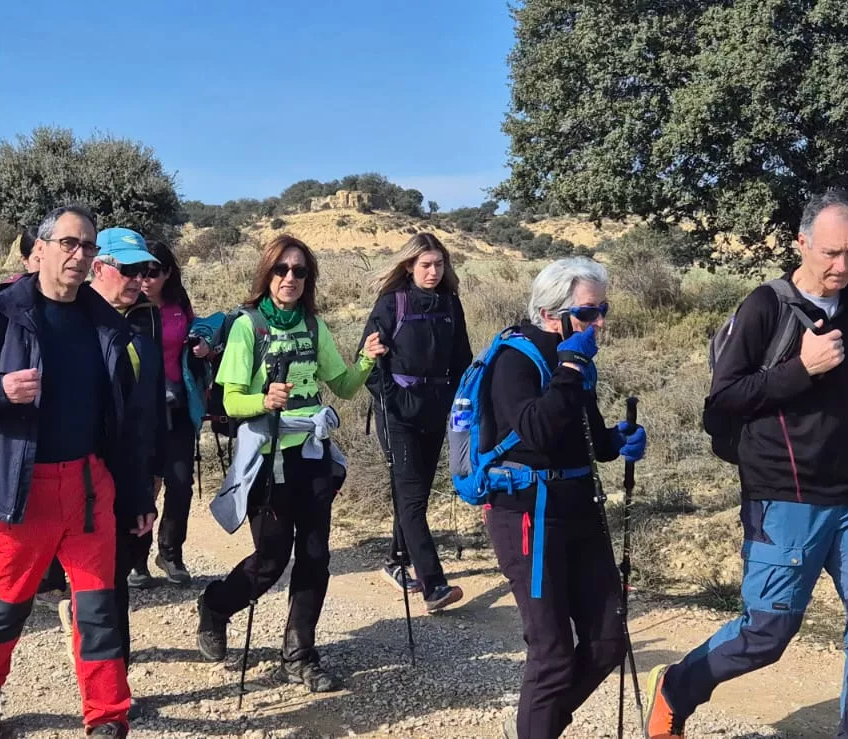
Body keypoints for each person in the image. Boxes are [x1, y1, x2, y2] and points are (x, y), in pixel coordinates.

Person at [645, 191, 848, 739]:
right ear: (801, 243)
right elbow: (722, 405)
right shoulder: (765, 307)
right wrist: (800, 368)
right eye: (831, 252)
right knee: (768, 633)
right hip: (783, 497)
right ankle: (677, 688)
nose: (843, 266)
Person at [0, 204, 161, 739]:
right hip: (22, 486)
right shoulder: (3, 314)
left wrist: (134, 497)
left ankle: (107, 716)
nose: (78, 256)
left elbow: (124, 426)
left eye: (87, 246)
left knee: (100, 608)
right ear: (42, 249)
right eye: (68, 243)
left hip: (87, 488)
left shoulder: (105, 325)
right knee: (7, 603)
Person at [195, 234, 388, 693]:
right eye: (281, 269)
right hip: (267, 461)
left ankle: (299, 655)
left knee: (316, 557)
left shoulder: (313, 326)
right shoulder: (247, 326)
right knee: (270, 560)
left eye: (300, 271)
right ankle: (217, 605)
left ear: (309, 279)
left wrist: (366, 360)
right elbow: (228, 400)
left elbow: (340, 386)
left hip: (313, 456)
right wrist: (263, 399)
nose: (290, 278)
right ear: (267, 274)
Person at [480, 257, 646, 739]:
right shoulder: (518, 357)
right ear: (553, 313)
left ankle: (540, 727)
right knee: (552, 654)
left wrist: (620, 438)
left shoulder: (575, 360)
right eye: (590, 312)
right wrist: (571, 367)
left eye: (603, 310)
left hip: (578, 508)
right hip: (528, 514)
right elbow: (533, 431)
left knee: (608, 640)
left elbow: (587, 438)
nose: (600, 322)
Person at [361, 233, 473, 612]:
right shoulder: (391, 303)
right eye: (425, 264)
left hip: (436, 408)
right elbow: (370, 363)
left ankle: (395, 561)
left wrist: (461, 404)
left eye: (439, 264)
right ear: (409, 266)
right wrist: (393, 401)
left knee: (417, 496)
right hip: (397, 414)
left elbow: (462, 360)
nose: (433, 271)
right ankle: (434, 585)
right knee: (410, 498)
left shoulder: (450, 304)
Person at [87, 227, 167, 591]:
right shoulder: (74, 320)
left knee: (126, 557)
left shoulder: (145, 319)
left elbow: (151, 400)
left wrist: (156, 467)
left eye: (144, 271)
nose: (139, 280)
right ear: (98, 266)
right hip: (86, 473)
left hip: (135, 469)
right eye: (129, 270)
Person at [138, 239, 212, 586]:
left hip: (178, 408)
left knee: (180, 484)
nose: (144, 279)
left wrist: (202, 347)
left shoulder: (179, 306)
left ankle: (170, 553)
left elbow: (200, 333)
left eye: (153, 272)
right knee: (142, 486)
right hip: (139, 412)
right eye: (139, 271)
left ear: (168, 273)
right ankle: (137, 559)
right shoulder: (127, 306)